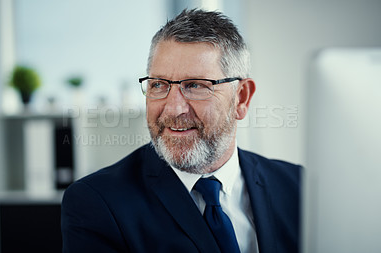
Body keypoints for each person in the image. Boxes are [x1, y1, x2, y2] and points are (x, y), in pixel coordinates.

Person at [61, 9, 301, 253]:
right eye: (159, 85)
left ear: (241, 98)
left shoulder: (299, 188)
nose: (174, 109)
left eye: (195, 85)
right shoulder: (98, 202)